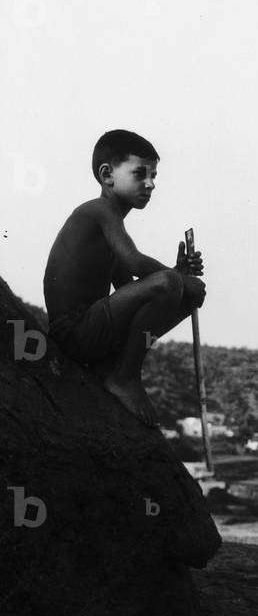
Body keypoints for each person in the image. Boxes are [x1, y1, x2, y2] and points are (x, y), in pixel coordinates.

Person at [43, 129, 206, 426]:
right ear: (107, 175)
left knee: (189, 293)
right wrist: (175, 277)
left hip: (94, 332)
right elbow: (135, 261)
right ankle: (125, 377)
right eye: (140, 173)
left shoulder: (110, 223)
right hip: (73, 332)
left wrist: (180, 277)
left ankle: (119, 367)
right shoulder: (100, 210)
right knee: (171, 284)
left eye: (154, 175)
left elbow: (129, 290)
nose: (151, 183)